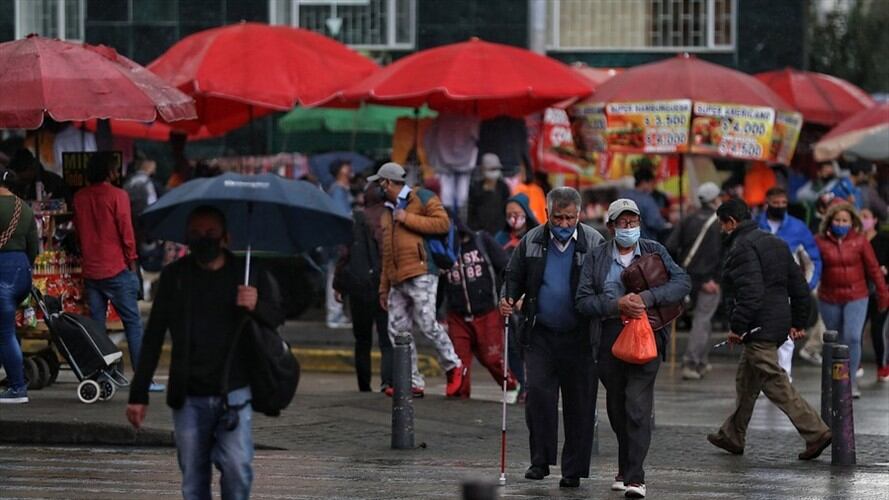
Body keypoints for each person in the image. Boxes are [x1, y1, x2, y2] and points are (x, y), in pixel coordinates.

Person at [126, 205, 284, 500]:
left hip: (234, 391)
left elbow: (275, 319)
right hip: (188, 395)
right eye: (196, 234)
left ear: (225, 237)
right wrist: (138, 395)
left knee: (237, 468)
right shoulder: (175, 277)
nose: (204, 239)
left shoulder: (246, 274)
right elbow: (154, 337)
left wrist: (256, 305)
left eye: (210, 233)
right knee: (193, 480)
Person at [576, 198, 690, 499]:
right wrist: (616, 305)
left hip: (648, 334)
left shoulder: (655, 250)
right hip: (609, 337)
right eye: (623, 223)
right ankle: (625, 466)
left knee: (637, 406)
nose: (629, 228)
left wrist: (648, 298)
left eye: (634, 222)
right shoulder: (596, 257)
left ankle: (636, 478)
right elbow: (583, 301)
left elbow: (682, 282)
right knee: (617, 407)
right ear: (611, 226)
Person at [707, 198, 832, 462]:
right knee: (746, 380)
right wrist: (798, 321)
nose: (722, 229)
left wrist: (737, 328)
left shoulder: (741, 248)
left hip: (758, 325)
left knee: (774, 381)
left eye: (722, 224)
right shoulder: (776, 242)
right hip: (776, 320)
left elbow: (750, 293)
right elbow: (799, 286)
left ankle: (816, 431)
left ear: (731, 222)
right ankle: (732, 434)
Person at [500, 187, 603, 489]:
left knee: (580, 404)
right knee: (540, 398)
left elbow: (605, 281)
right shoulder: (532, 240)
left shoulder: (594, 242)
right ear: (547, 214)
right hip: (541, 333)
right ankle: (540, 461)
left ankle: (573, 470)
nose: (563, 223)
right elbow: (513, 277)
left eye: (569, 217)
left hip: (581, 336)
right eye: (557, 217)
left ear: (579, 215)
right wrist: (506, 298)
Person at [369, 162, 465, 398]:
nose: (378, 188)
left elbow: (443, 223)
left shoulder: (421, 197)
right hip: (397, 278)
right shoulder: (386, 213)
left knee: (427, 322)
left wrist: (407, 217)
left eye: (380, 183)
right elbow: (387, 253)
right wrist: (384, 287)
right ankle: (412, 382)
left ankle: (454, 365)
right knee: (397, 330)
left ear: (388, 183)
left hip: (422, 271)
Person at [73, 152, 162, 392]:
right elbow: (126, 231)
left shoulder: (79, 197)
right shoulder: (118, 195)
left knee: (97, 327)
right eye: (115, 170)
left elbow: (79, 233)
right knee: (133, 323)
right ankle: (143, 379)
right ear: (110, 172)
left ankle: (102, 376)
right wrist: (132, 261)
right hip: (116, 268)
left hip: (92, 271)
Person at [815, 202, 889, 397]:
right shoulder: (819, 242)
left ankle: (850, 382)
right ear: (830, 222)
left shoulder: (860, 241)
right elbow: (814, 266)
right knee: (835, 339)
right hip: (829, 297)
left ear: (852, 222)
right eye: (837, 220)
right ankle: (835, 380)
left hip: (857, 295)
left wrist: (883, 294)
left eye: (845, 220)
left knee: (853, 337)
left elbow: (874, 269)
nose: (841, 223)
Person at [443, 211, 518, 400]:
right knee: (459, 363)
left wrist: (510, 294)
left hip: (487, 312)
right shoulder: (440, 250)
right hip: (457, 316)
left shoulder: (481, 241)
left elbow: (505, 266)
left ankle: (511, 386)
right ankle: (460, 401)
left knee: (492, 358)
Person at [756, 186, 823, 377]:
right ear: (766, 203)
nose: (779, 206)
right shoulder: (755, 225)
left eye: (783, 203)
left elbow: (812, 260)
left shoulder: (798, 228)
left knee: (786, 337)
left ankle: (784, 378)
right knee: (761, 336)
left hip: (786, 291)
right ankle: (763, 377)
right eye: (775, 203)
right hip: (759, 290)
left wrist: (806, 286)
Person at [333, 183, 393, 392]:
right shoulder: (387, 218)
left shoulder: (354, 219)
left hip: (358, 288)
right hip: (382, 286)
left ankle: (364, 386)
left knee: (362, 340)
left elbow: (344, 255)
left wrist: (338, 285)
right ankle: (387, 383)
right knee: (387, 340)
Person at [665, 182, 723, 380]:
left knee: (701, 320)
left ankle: (701, 360)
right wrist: (712, 278)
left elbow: (671, 246)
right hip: (709, 281)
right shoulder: (719, 223)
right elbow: (721, 255)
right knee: (702, 320)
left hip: (686, 277)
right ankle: (691, 362)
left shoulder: (687, 219)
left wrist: (680, 269)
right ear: (715, 199)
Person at [0, 167, 39, 403]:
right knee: (6, 331)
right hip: (21, 271)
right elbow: (33, 248)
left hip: (2, 271)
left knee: (5, 333)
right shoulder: (23, 208)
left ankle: (17, 387)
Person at [859, 208, 889, 382]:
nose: (863, 220)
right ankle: (855, 363)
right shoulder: (856, 240)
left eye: (866, 217)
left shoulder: (884, 240)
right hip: (860, 292)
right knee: (856, 331)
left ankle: (882, 365)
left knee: (877, 330)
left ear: (875, 219)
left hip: (880, 291)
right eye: (860, 216)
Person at [325, 160, 353, 330]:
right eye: (346, 166)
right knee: (334, 276)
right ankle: (334, 315)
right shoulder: (337, 191)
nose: (349, 169)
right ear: (339, 171)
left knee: (337, 276)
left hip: (339, 240)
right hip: (338, 241)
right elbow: (341, 216)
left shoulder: (341, 190)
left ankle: (337, 314)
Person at [619, 168, 668, 241]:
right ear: (644, 182)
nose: (653, 187)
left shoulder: (623, 196)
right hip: (644, 243)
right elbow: (654, 222)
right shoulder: (646, 200)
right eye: (652, 183)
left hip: (622, 241)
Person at [468, 153, 511, 235]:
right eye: (491, 169)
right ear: (483, 169)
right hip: (480, 232)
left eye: (496, 169)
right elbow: (471, 213)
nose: (495, 172)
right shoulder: (475, 188)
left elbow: (507, 209)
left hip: (499, 232)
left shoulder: (503, 187)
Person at [511, 156, 548, 225]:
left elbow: (543, 214)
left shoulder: (536, 190)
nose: (521, 173)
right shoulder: (516, 189)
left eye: (522, 170)